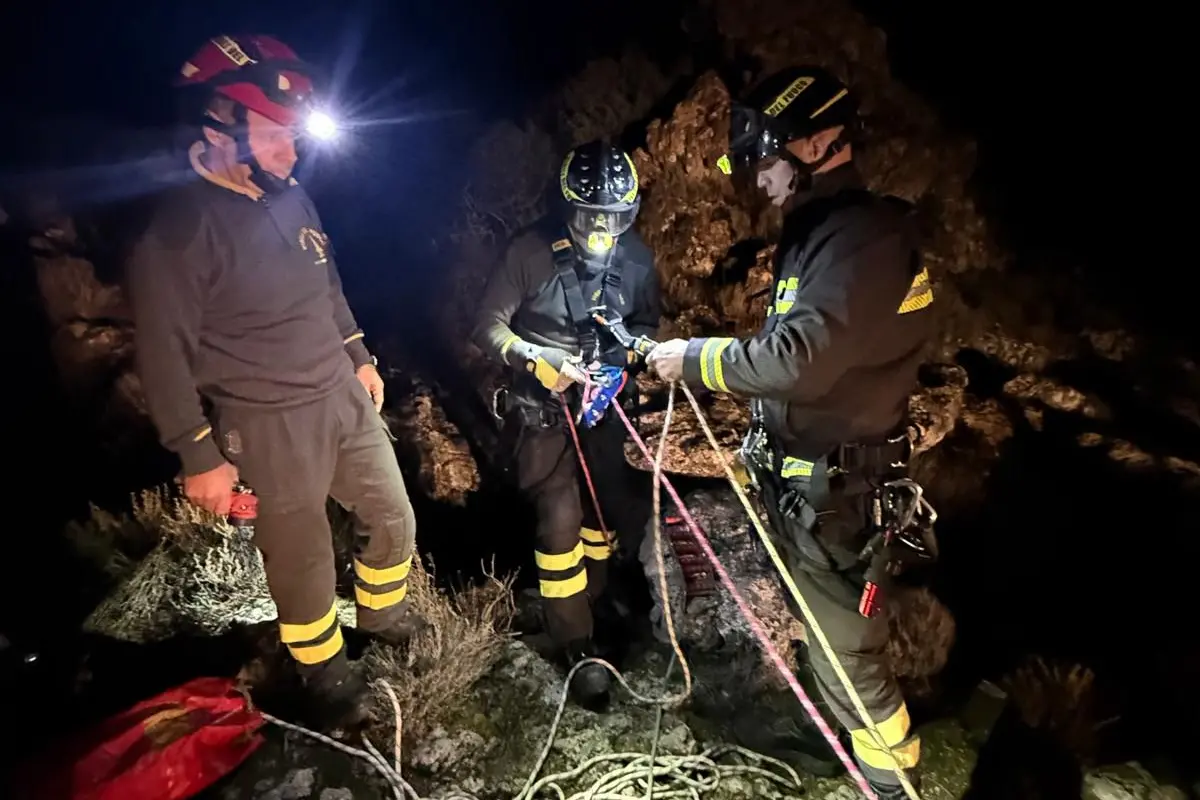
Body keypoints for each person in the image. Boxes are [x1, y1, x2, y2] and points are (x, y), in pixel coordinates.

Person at [646, 66, 936, 798]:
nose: (759, 177)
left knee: (852, 648)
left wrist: (692, 359)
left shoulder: (864, 237)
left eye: (765, 158)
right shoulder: (824, 235)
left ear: (816, 145)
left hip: (841, 490)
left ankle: (890, 781)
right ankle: (832, 730)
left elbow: (795, 362)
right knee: (820, 626)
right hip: (810, 482)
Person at [125, 34, 420, 731]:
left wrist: (359, 354)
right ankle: (323, 673)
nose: (293, 149)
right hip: (266, 418)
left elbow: (328, 279)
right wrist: (197, 453)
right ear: (220, 126)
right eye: (276, 132)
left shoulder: (290, 195)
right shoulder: (177, 230)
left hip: (341, 397)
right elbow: (162, 353)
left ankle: (383, 619)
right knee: (303, 560)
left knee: (394, 518)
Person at [472, 140, 662, 710]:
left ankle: (597, 601)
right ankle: (574, 641)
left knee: (606, 512)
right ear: (567, 209)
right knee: (559, 520)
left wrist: (625, 360)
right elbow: (488, 326)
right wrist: (537, 359)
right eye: (587, 218)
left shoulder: (638, 260)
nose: (600, 231)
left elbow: (647, 323)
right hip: (542, 407)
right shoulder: (529, 252)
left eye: (613, 220)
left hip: (601, 404)